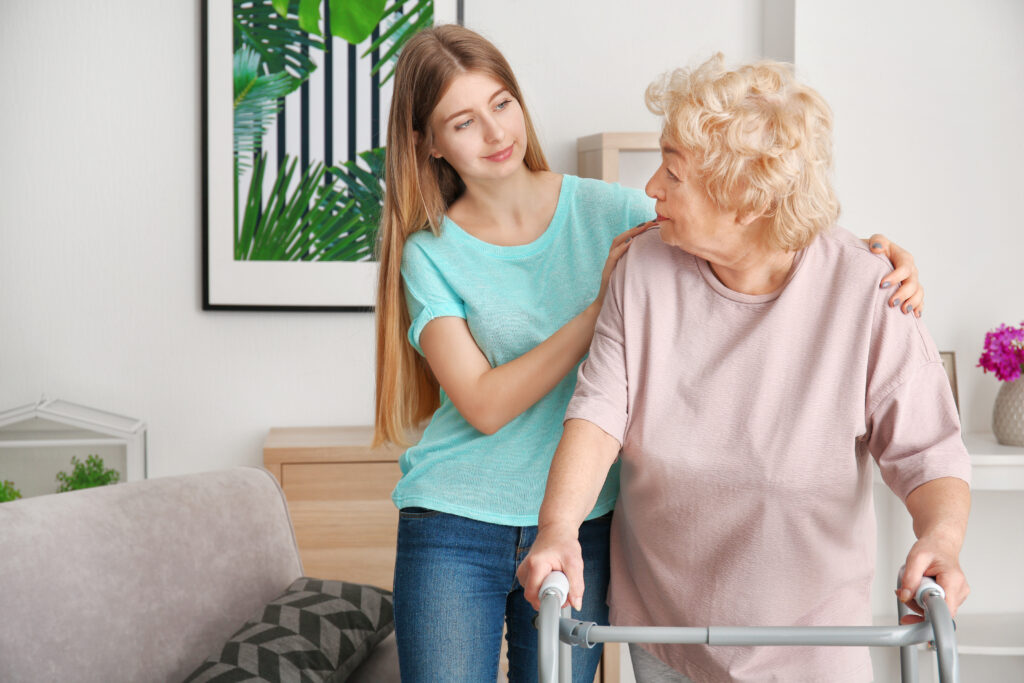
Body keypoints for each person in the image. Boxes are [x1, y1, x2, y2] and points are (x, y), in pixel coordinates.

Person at [373, 27, 925, 683]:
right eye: (463, 122)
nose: (495, 133)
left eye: (502, 103)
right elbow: (486, 403)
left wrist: (877, 261)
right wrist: (595, 310)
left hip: (585, 524)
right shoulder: (431, 253)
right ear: (429, 144)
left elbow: (750, 217)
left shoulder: (617, 209)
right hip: (457, 517)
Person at [517, 53, 971, 683]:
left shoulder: (870, 290)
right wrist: (558, 527)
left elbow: (930, 453)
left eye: (673, 171)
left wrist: (941, 541)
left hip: (813, 647)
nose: (651, 186)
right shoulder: (645, 269)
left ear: (745, 199)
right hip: (667, 634)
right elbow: (598, 412)